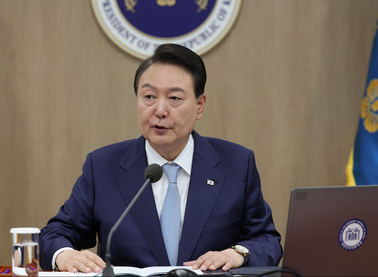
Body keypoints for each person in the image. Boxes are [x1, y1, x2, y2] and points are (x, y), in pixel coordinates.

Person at [39, 44, 283, 273]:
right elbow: (55, 233)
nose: (159, 110)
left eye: (174, 98)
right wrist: (64, 255)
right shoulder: (103, 167)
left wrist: (238, 253)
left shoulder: (236, 164)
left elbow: (267, 240)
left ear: (199, 105)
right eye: (149, 97)